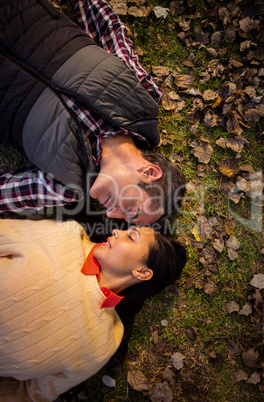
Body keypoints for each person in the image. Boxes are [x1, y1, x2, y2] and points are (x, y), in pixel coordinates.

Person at [0, 0, 185, 224]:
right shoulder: (142, 98)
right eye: (131, 210)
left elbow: (6, 193)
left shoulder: (66, 185)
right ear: (149, 172)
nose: (110, 214)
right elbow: (109, 33)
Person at [0, 218, 186, 401]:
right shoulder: (66, 237)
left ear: (142, 272)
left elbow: (31, 394)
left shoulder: (103, 343)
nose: (116, 232)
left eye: (131, 237)